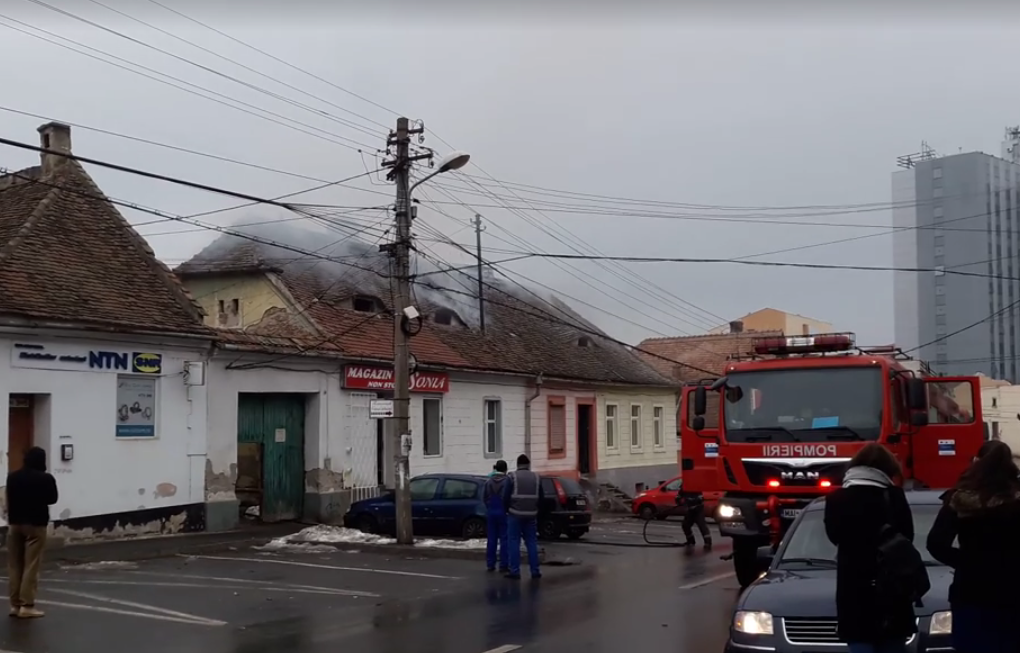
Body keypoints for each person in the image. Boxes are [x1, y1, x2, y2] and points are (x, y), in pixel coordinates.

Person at [926, 439, 1020, 653]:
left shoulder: (960, 499)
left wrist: (968, 561)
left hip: (971, 591)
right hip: (1014, 589)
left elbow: (936, 544)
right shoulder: (1016, 501)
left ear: (977, 462)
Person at [823, 443, 916, 653]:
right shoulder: (894, 496)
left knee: (859, 643)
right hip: (891, 589)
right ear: (888, 469)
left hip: (853, 590)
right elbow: (907, 536)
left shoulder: (836, 498)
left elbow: (834, 536)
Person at [6, 447, 58, 619]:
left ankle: (15, 604)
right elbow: (52, 498)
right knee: (31, 565)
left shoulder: (13, 477)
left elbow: (8, 498)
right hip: (36, 525)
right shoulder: (45, 478)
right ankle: (27, 605)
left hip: (14, 524)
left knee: (15, 565)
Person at [502, 454, 544, 580]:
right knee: (531, 542)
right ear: (528, 464)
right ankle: (535, 571)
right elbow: (541, 498)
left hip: (515, 514)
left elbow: (505, 496)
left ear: (518, 465)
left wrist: (507, 510)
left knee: (514, 542)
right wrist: (537, 511)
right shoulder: (536, 478)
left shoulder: (512, 477)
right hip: (531, 515)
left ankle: (515, 571)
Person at [483, 460, 510, 573]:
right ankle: (504, 564)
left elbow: (484, 498)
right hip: (503, 512)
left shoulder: (488, 482)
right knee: (504, 539)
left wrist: (489, 507)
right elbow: (508, 497)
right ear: (505, 469)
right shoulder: (507, 481)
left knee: (492, 539)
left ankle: (490, 564)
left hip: (491, 511)